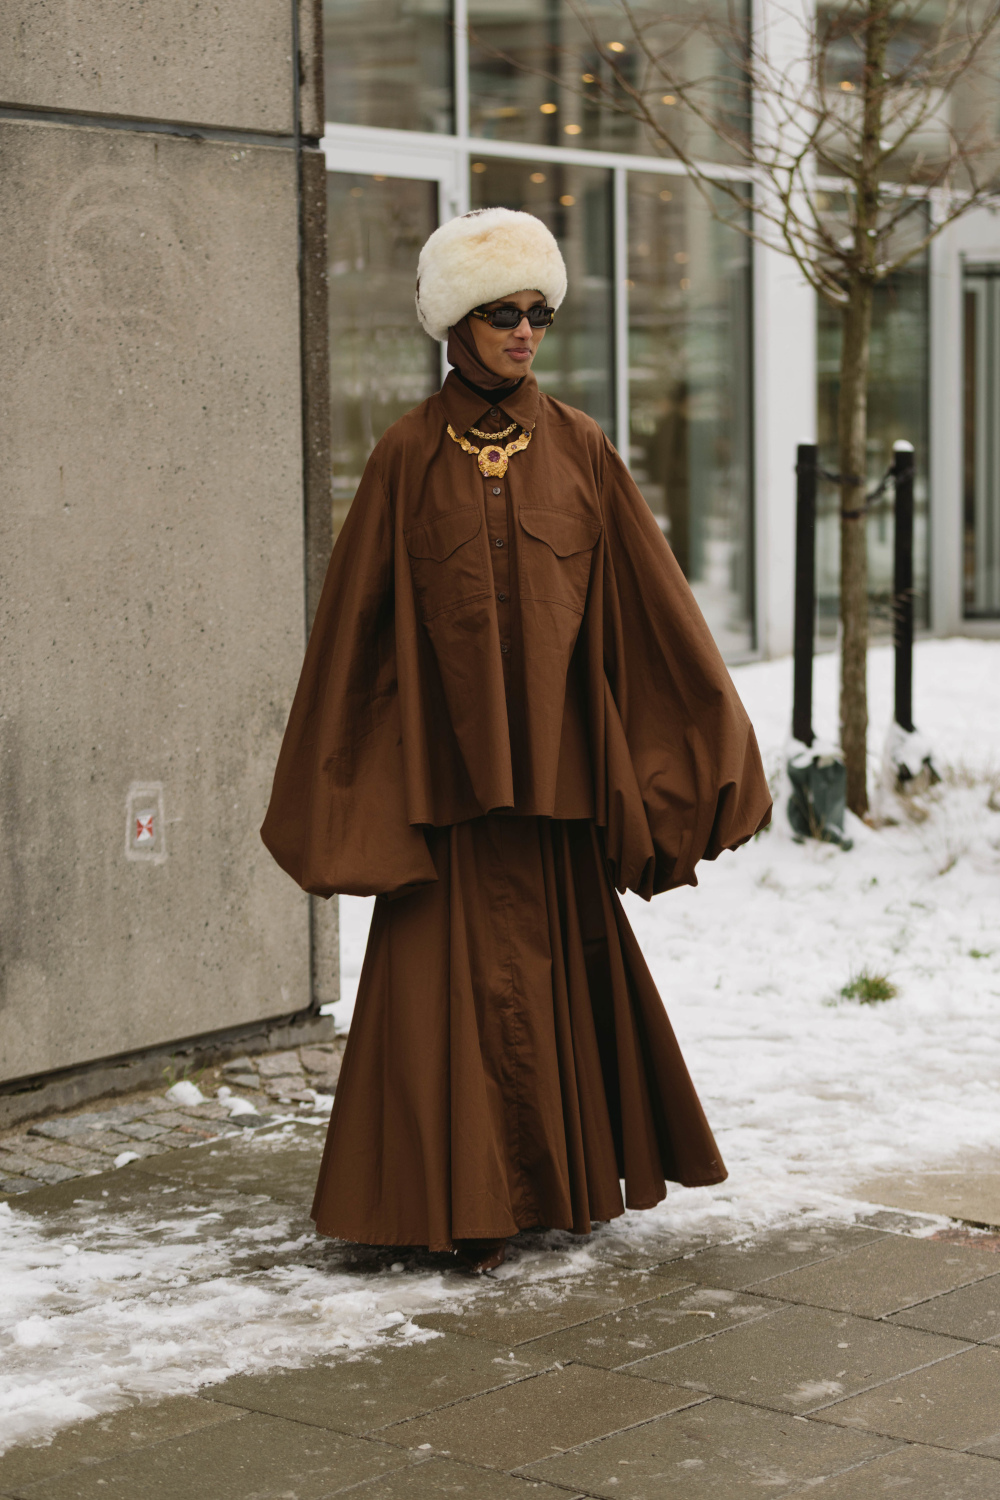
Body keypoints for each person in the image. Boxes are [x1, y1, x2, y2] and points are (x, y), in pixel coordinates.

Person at [261, 207, 772, 1272]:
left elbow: (649, 614)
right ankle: (456, 1204)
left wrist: (702, 754)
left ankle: (558, 1186)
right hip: (442, 802)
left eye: (539, 313)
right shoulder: (404, 456)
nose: (525, 332)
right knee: (441, 989)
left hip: (556, 791)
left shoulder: (580, 448)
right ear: (455, 323)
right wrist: (353, 781)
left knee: (552, 978)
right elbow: (356, 639)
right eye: (503, 313)